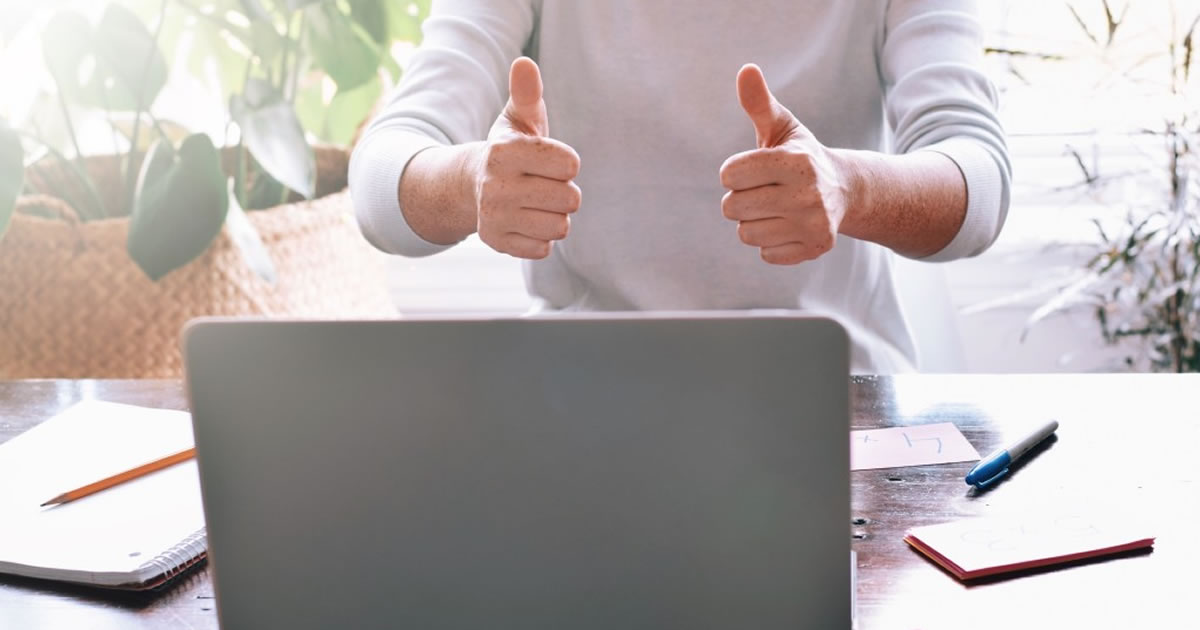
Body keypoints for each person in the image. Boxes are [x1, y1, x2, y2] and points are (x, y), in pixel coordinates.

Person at [349, 1, 1011, 372]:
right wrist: (469, 182)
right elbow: (381, 177)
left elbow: (978, 179)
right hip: (582, 396)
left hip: (836, 401)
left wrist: (850, 187)